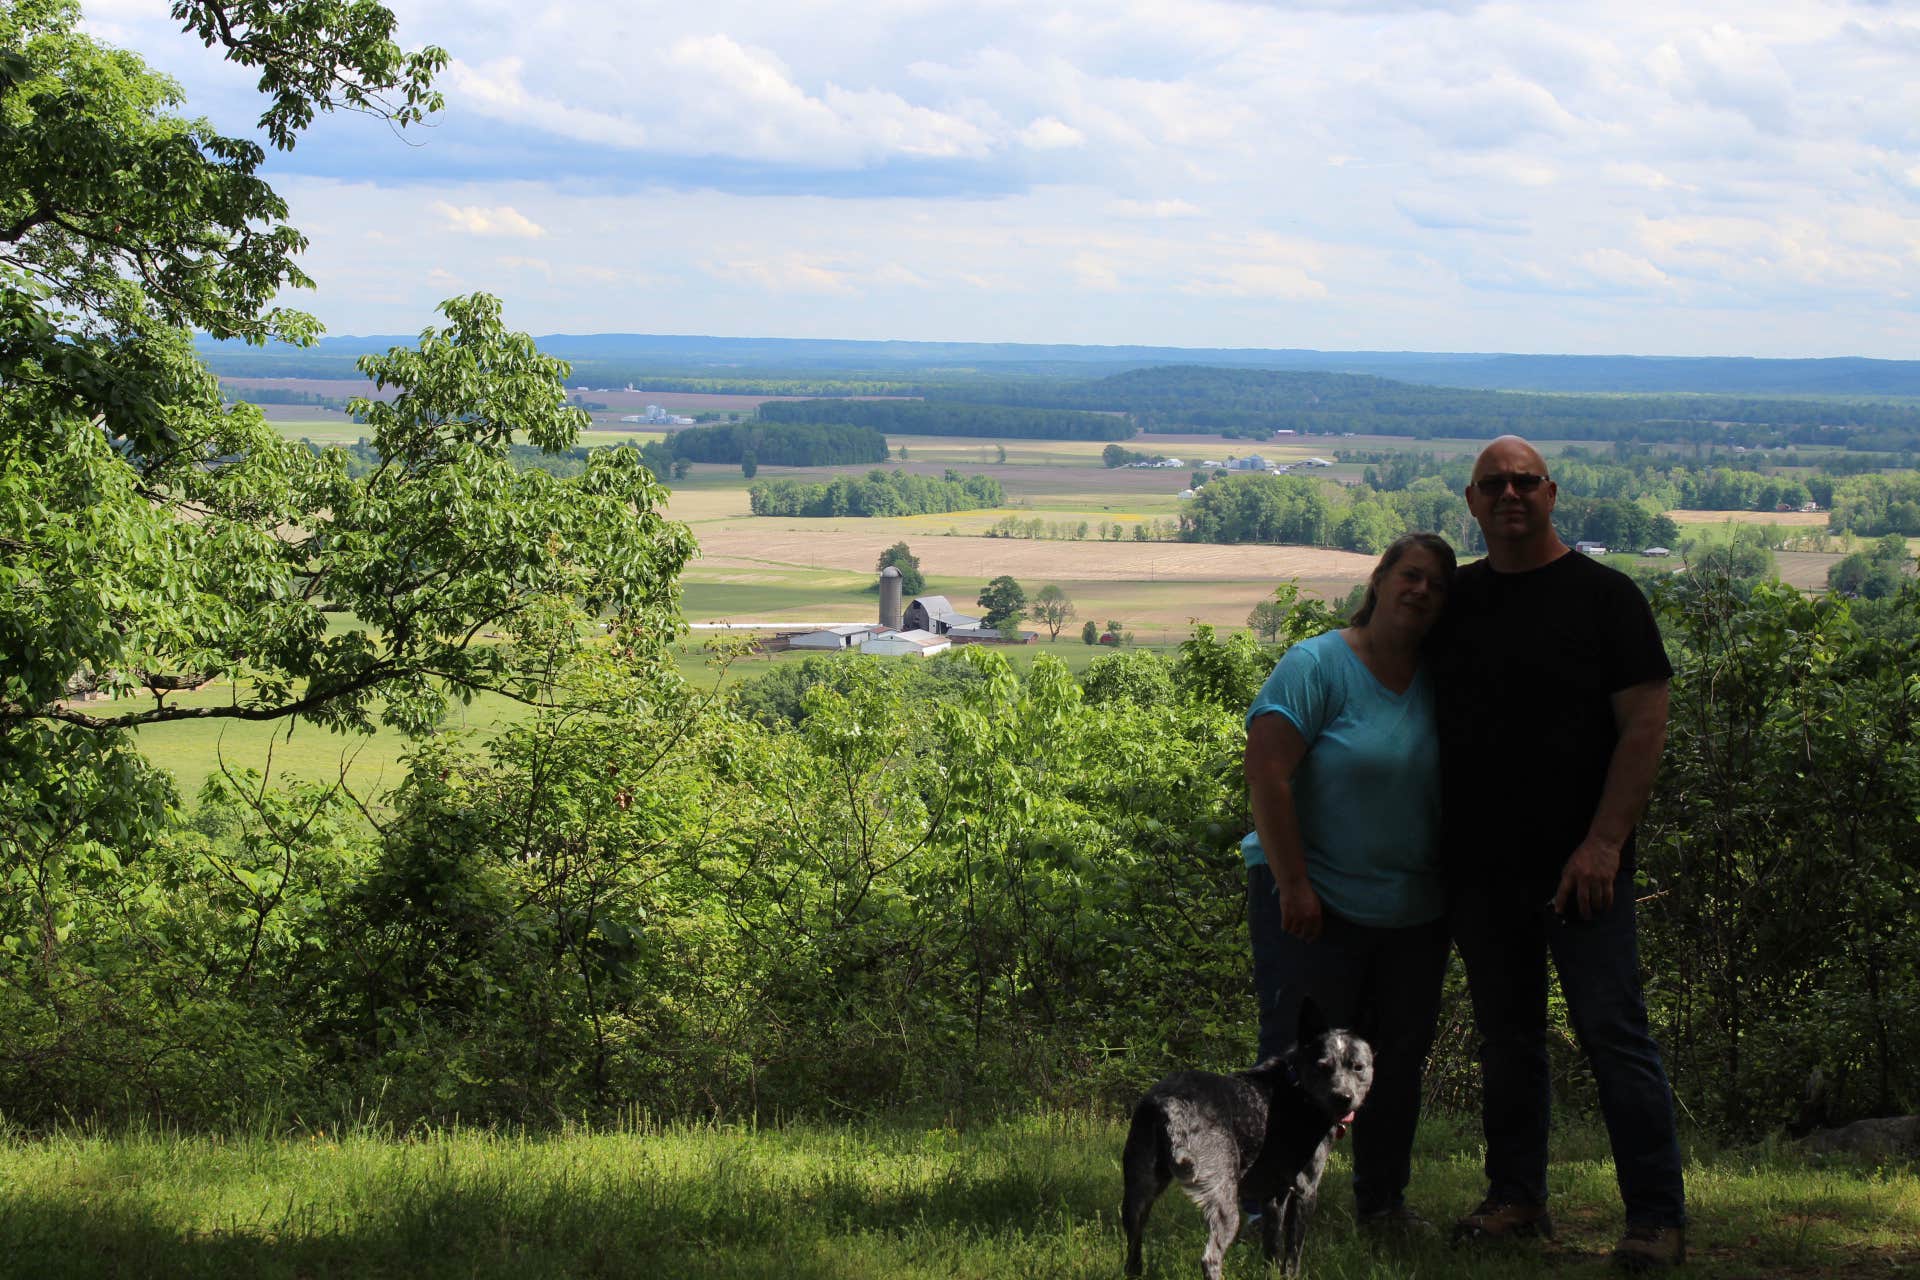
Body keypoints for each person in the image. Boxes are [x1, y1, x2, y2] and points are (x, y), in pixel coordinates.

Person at [1432, 435, 1687, 1271]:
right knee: (1506, 1041)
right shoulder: (1454, 602)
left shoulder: (1607, 598)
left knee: (1613, 1034)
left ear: (1552, 494)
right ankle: (1515, 1198)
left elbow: (1644, 726)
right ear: (1470, 503)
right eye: (1493, 484)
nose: (1510, 494)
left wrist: (1605, 843)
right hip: (1482, 869)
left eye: (1525, 482)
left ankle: (1655, 1217)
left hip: (1585, 868)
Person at [1242, 531, 1457, 1235]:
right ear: (1380, 580)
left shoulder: (1444, 677)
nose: (1420, 590)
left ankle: (1383, 1205)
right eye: (1410, 575)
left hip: (1415, 911)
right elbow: (1266, 772)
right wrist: (1293, 882)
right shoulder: (1318, 664)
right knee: (1297, 1060)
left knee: (1391, 1065)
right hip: (1315, 904)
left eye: (1436, 583)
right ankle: (1266, 1203)